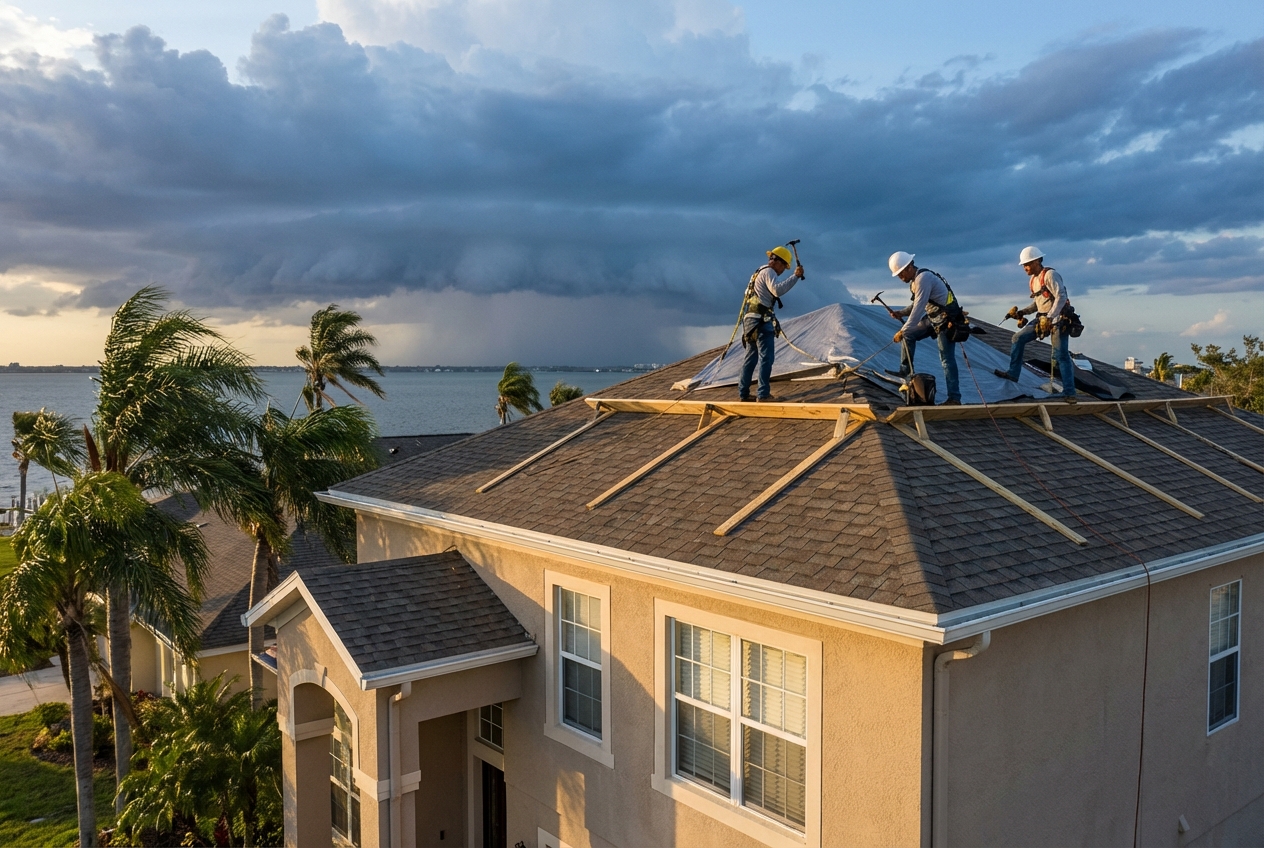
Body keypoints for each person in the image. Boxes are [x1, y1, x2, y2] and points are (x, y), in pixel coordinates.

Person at [994, 246, 1077, 402]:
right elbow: (1037, 304)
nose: (1025, 268)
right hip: (1043, 318)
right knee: (1017, 338)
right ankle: (1013, 373)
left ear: (1037, 261)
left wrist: (1051, 317)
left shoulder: (1050, 275)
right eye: (1024, 265)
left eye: (1028, 264)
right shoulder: (1033, 280)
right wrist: (1022, 313)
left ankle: (1070, 393)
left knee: (1061, 355)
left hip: (1059, 319)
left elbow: (1061, 296)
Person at [886, 251, 963, 405]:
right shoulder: (915, 282)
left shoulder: (923, 278)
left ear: (909, 267)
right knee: (910, 335)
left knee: (946, 359)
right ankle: (905, 370)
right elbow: (916, 304)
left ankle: (954, 398)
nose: (901, 278)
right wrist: (901, 312)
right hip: (933, 318)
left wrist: (903, 330)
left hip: (946, 319)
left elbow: (919, 308)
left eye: (901, 274)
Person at [738, 245, 805, 401]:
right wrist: (795, 276)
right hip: (761, 320)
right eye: (784, 267)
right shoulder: (769, 271)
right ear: (778, 262)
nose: (782, 271)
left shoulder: (757, 273)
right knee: (767, 357)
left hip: (749, 321)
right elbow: (776, 291)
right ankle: (763, 394)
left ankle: (743, 394)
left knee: (750, 358)